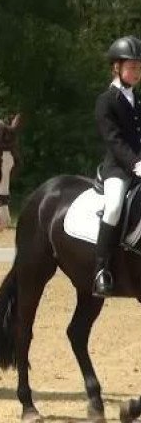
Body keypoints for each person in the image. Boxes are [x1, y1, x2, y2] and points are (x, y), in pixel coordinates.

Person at [93, 35, 141, 297]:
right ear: (117, 68)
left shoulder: (137, 101)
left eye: (139, 67)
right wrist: (136, 164)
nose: (137, 72)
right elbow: (114, 140)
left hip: (138, 165)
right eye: (132, 67)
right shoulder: (106, 101)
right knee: (113, 208)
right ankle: (102, 270)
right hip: (118, 169)